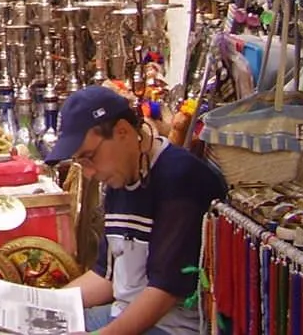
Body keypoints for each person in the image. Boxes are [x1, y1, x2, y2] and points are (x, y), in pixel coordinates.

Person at [47, 86, 227, 335]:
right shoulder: (121, 173)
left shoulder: (181, 179)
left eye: (89, 157)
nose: (88, 173)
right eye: (80, 161)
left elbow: (164, 292)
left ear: (123, 132)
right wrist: (44, 306)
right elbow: (105, 275)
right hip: (123, 314)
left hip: (173, 328)